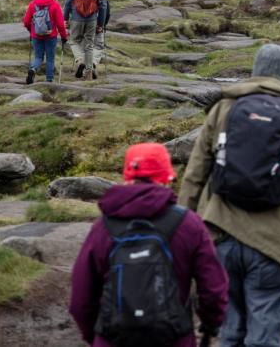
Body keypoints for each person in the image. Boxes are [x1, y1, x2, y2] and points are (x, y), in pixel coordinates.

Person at [179, 44, 280, 347]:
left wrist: (185, 231)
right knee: (263, 337)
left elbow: (194, 175)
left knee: (230, 331)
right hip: (275, 244)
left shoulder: (223, 109)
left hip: (221, 235)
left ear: (256, 71)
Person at [70, 142, 228, 347]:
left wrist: (96, 337)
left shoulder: (103, 227)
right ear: (167, 177)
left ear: (127, 177)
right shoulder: (188, 224)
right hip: (174, 338)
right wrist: (211, 325)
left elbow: (81, 299)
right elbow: (214, 290)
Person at [63, 0, 108, 80]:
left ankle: (80, 60)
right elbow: (103, 6)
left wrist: (65, 18)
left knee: (73, 41)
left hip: (76, 19)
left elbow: (67, 3)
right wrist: (100, 24)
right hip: (92, 19)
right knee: (89, 45)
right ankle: (88, 73)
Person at [23, 0, 68, 84]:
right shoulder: (55, 5)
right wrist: (64, 36)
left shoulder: (32, 4)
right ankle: (49, 80)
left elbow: (26, 22)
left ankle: (33, 69)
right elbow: (61, 24)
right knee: (50, 59)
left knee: (38, 57)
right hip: (50, 36)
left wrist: (32, 30)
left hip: (36, 36)